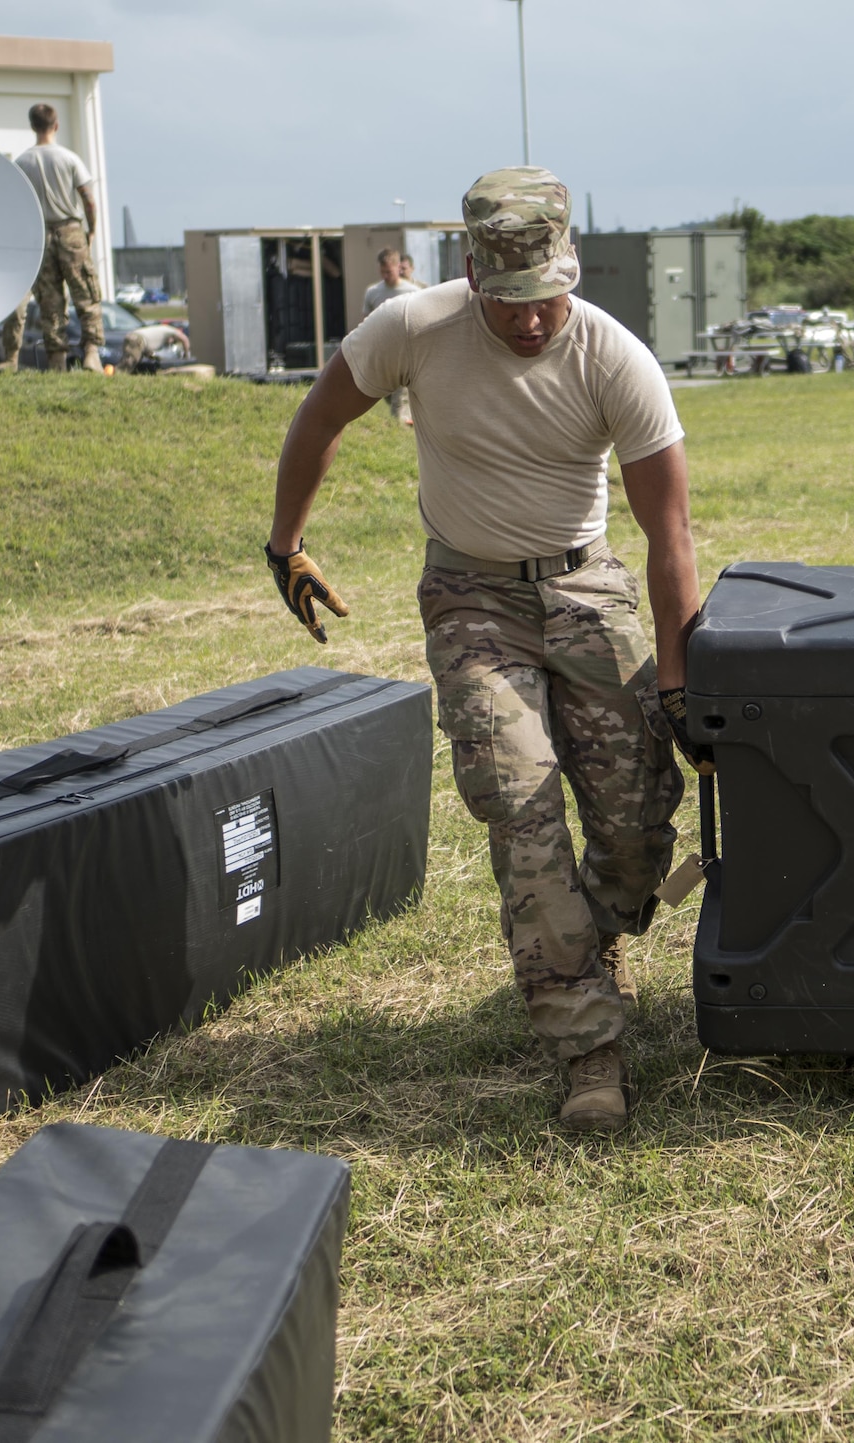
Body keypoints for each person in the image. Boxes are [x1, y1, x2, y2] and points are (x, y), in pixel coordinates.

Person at [266, 166, 701, 1134]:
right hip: (470, 597)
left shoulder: (613, 358)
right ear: (468, 273)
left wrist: (674, 683)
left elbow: (668, 533)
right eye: (508, 304)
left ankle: (589, 935)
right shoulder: (412, 329)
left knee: (636, 822)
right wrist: (284, 542)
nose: (531, 323)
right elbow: (320, 416)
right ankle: (586, 1046)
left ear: (570, 272)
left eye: (545, 299)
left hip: (586, 586)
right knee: (520, 798)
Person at [0, 103, 104, 372]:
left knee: (51, 302)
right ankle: (91, 353)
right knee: (85, 294)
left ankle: (57, 362)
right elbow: (88, 199)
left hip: (40, 235)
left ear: (33, 127)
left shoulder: (22, 161)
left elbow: (14, 204)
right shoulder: (69, 158)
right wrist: (91, 229)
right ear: (56, 126)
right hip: (70, 231)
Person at [363, 248, 422, 423]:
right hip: (382, 353)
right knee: (385, 392)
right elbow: (366, 322)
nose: (385, 276)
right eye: (382, 272)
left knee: (398, 399)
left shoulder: (413, 291)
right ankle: (408, 419)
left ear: (398, 267)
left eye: (389, 271)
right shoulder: (373, 293)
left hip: (405, 351)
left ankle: (401, 427)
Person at [117, 321, 191, 371]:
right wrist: (186, 355)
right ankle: (117, 376)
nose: (171, 343)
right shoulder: (171, 330)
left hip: (132, 337)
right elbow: (184, 339)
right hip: (137, 339)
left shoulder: (159, 336)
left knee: (129, 361)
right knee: (130, 362)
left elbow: (148, 352)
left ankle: (118, 374)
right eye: (174, 341)